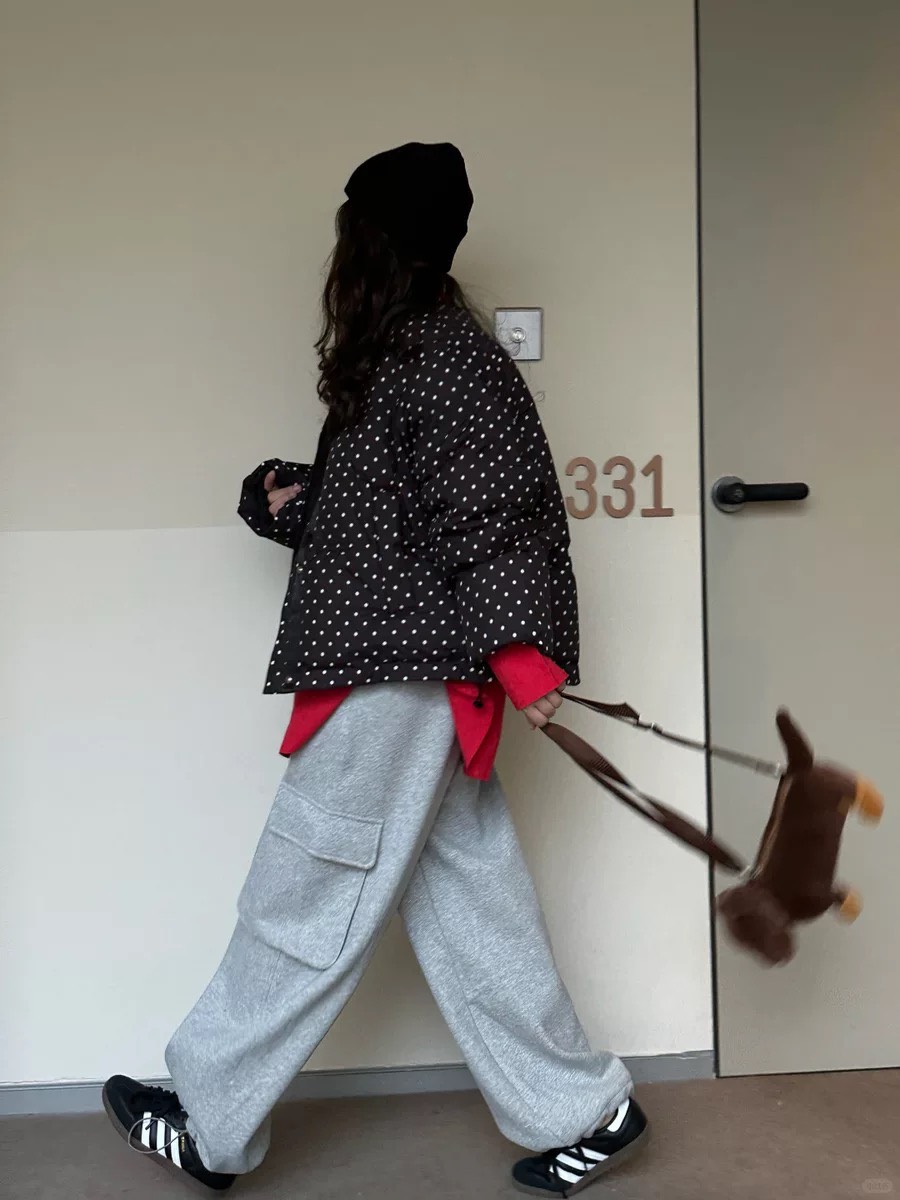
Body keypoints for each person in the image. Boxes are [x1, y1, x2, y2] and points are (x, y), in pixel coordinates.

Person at [102, 142, 647, 1197]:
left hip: (402, 682)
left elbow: (496, 514)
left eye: (351, 231)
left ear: (376, 243)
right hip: (412, 664)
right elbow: (405, 518)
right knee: (475, 909)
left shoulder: (446, 360)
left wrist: (523, 657)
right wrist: (295, 500)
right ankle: (587, 1110)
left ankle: (210, 1121)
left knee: (304, 892)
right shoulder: (410, 351)